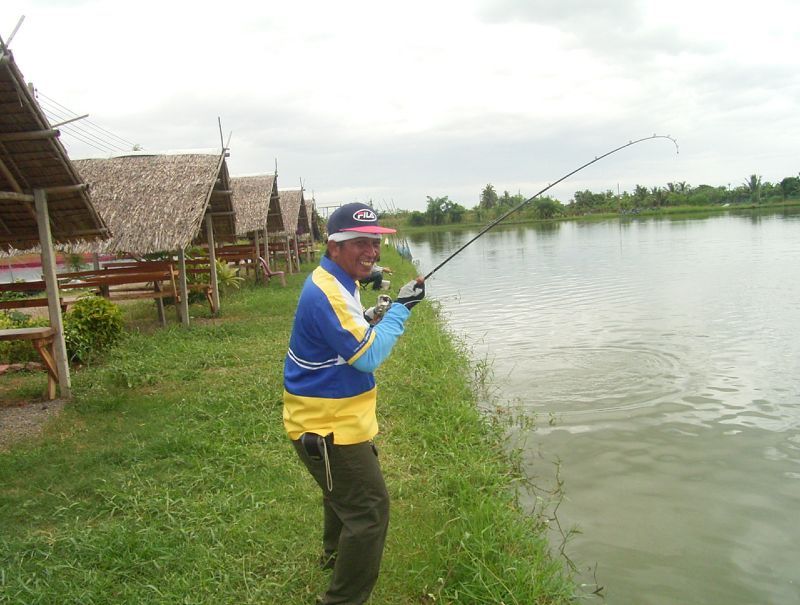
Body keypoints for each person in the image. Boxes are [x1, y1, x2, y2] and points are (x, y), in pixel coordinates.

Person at [283, 202, 425, 605]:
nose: (372, 251)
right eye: (360, 243)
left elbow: (347, 324)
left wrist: (372, 300)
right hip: (326, 426)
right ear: (334, 247)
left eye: (375, 242)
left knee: (340, 494)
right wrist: (401, 310)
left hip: (334, 417)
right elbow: (367, 356)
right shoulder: (328, 291)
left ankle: (334, 557)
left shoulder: (337, 280)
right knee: (368, 511)